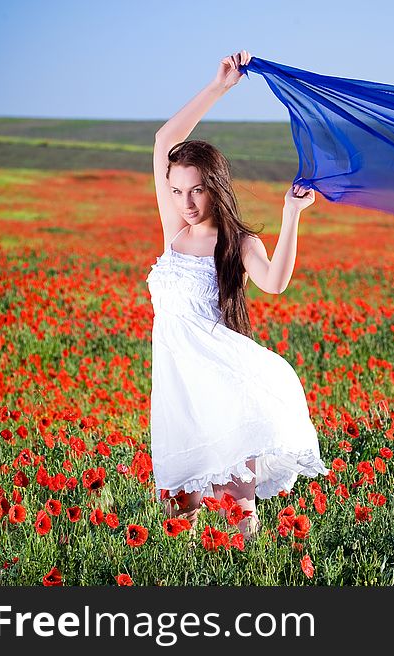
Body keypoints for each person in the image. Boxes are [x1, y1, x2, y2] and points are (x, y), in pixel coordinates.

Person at [148, 50, 329, 543]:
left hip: (224, 385)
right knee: (179, 513)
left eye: (198, 191)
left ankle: (250, 585)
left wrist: (291, 216)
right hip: (177, 393)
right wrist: (219, 86)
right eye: (178, 190)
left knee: (237, 507)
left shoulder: (239, 242)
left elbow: (274, 282)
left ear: (216, 188)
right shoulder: (173, 234)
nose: (186, 203)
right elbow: (166, 140)